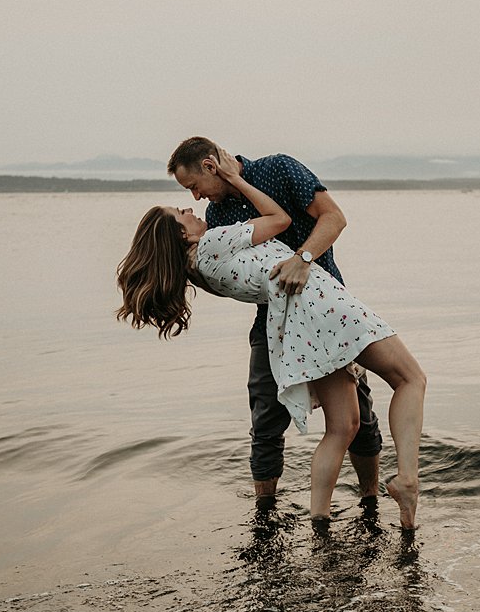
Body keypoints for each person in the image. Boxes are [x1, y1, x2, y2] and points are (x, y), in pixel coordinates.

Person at [117, 157, 426, 527]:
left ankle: (319, 522)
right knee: (411, 379)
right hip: (323, 303)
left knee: (343, 428)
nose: (191, 204)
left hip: (298, 324)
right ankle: (406, 479)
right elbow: (280, 220)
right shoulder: (213, 239)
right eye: (182, 210)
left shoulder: (197, 270)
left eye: (189, 193)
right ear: (183, 235)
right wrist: (237, 180)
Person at [167, 137, 384, 502]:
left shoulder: (278, 169)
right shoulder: (218, 219)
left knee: (358, 418)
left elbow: (334, 217)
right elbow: (238, 278)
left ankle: (370, 500)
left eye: (194, 187)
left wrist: (305, 258)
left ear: (209, 166)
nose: (196, 198)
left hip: (326, 312)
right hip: (273, 323)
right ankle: (265, 514)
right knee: (265, 419)